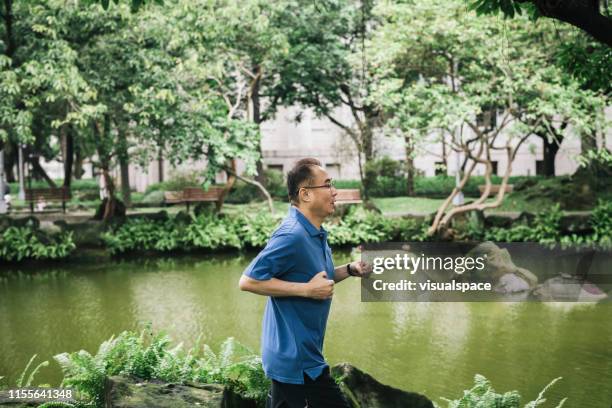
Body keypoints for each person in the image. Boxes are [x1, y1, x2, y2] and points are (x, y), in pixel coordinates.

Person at [239, 158, 371, 408]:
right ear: (306, 194)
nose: (335, 191)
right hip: (297, 362)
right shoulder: (292, 235)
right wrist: (306, 290)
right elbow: (248, 281)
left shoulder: (315, 232)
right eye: (328, 185)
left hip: (301, 357)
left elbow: (321, 278)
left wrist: (351, 269)